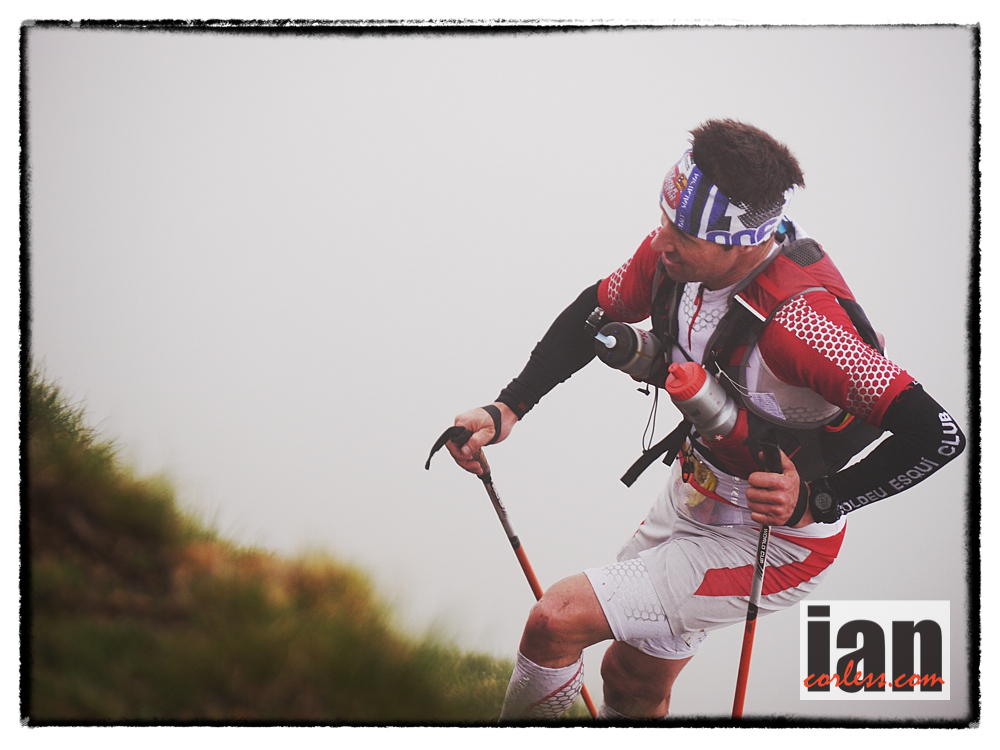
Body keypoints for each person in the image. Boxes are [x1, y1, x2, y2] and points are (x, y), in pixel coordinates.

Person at [446, 119, 966, 720]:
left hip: (774, 540)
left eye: (684, 232)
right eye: (664, 218)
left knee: (554, 622)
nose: (661, 241)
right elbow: (595, 311)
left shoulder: (803, 327)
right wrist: (508, 406)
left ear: (739, 242)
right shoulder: (671, 261)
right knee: (630, 680)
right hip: (693, 493)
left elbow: (937, 434)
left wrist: (820, 499)